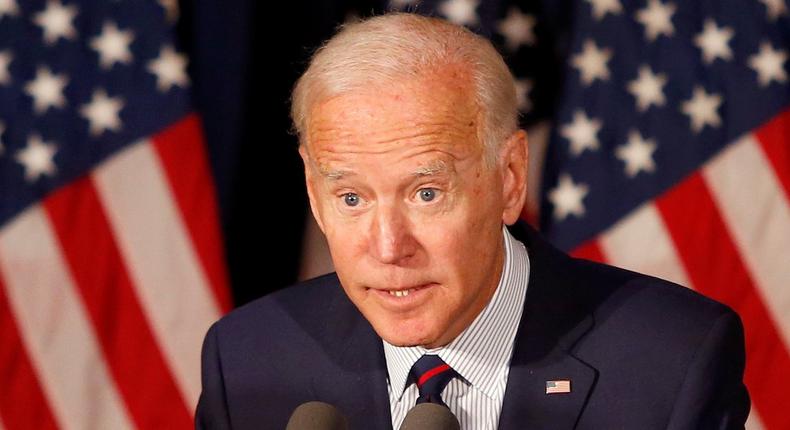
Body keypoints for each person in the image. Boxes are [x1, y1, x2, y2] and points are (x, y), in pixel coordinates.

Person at [195, 12, 749, 429]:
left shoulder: (672, 359)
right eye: (352, 200)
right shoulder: (246, 360)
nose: (388, 248)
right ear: (315, 196)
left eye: (426, 193)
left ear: (509, 178)